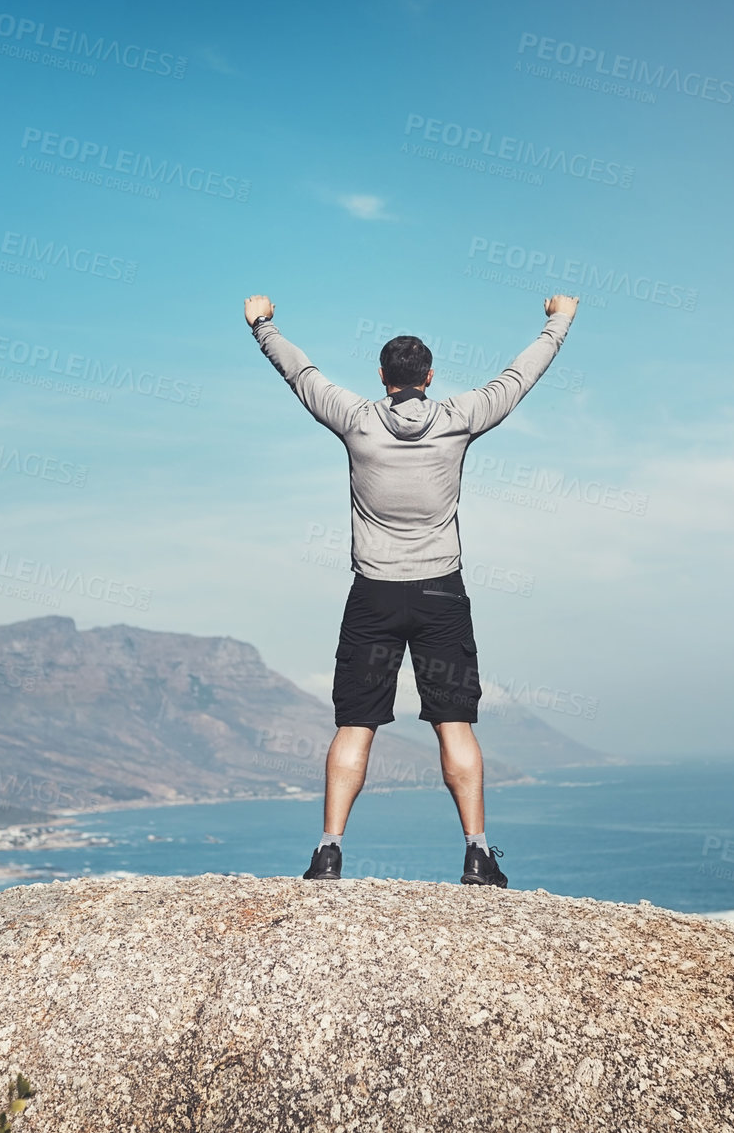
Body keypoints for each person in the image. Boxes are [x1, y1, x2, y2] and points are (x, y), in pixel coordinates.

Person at [245, 292, 579, 888]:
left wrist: (263, 325)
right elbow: (519, 375)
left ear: (382, 377)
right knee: (454, 723)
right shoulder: (459, 416)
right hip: (440, 596)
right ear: (428, 377)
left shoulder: (355, 418)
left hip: (373, 595)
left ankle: (328, 854)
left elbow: (301, 373)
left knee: (355, 723)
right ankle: (477, 856)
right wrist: (559, 320)